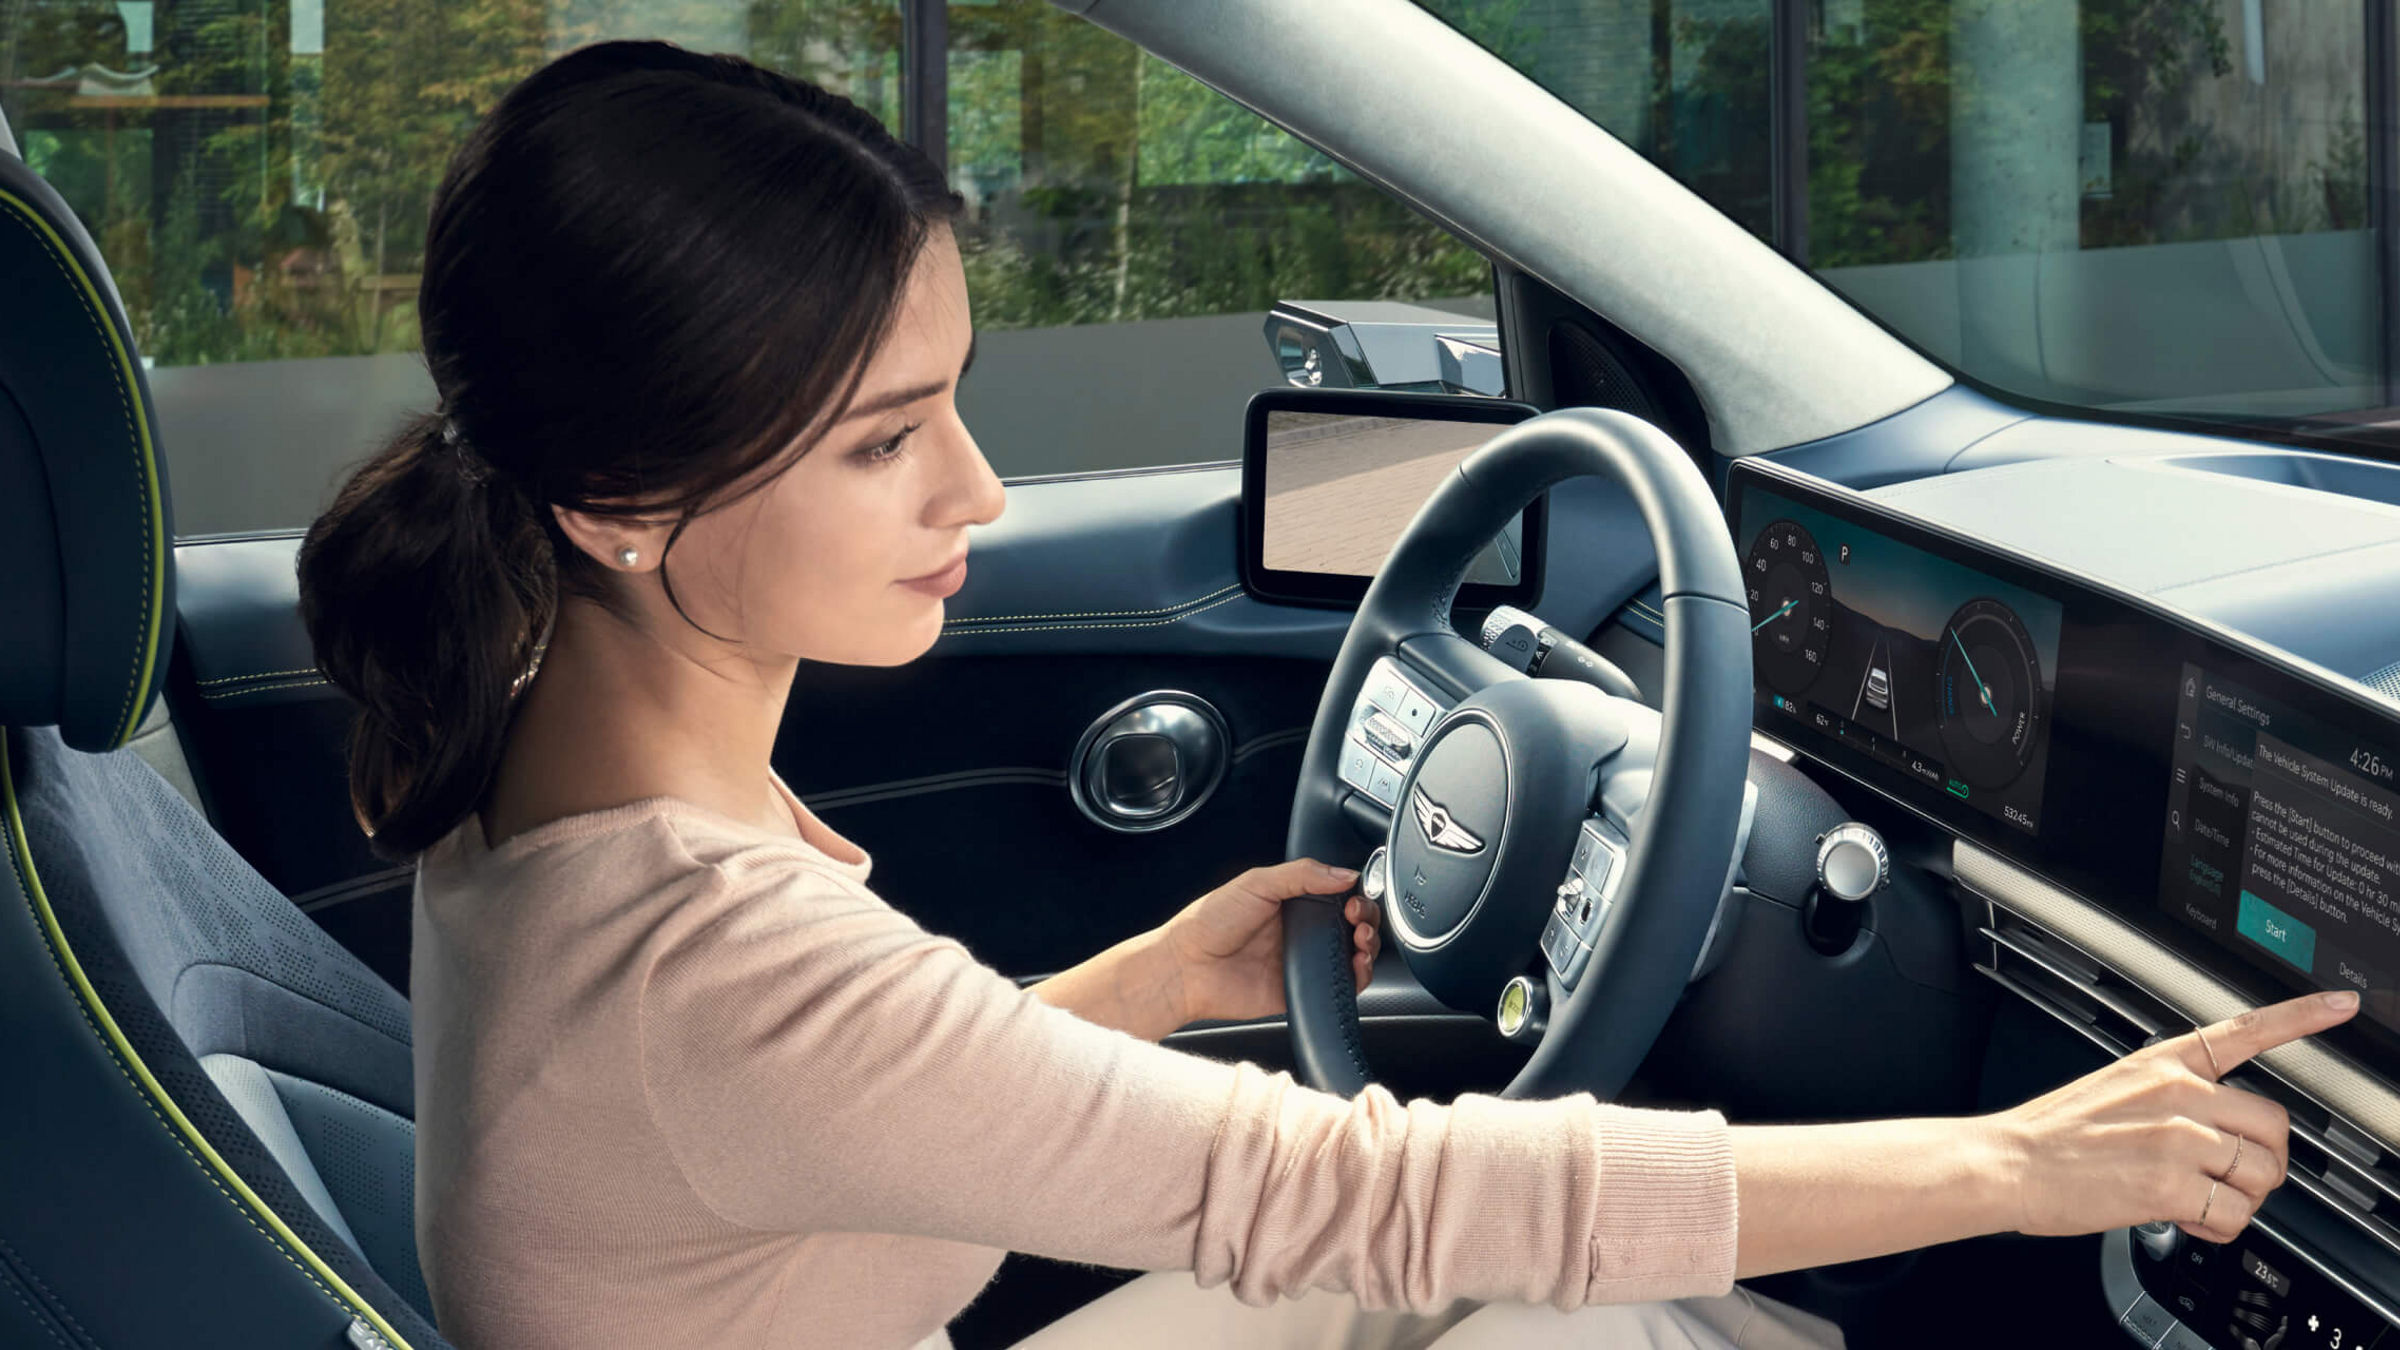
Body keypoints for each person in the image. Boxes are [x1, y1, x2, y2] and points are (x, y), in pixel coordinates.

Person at [292, 39, 2356, 1350]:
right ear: (624, 502)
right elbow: (1345, 1191)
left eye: (957, 404)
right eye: (879, 438)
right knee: (1622, 1321)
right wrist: (2013, 1162)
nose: (978, 493)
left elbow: (795, 1115)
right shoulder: (704, 953)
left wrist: (1143, 989)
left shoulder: (528, 751)